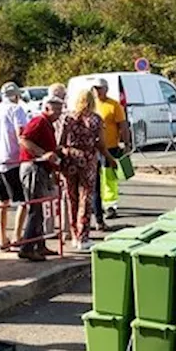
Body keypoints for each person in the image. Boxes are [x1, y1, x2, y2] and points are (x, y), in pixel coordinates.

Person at [59, 90, 116, 251]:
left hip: (69, 158)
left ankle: (74, 234)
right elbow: (101, 144)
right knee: (86, 198)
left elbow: (60, 142)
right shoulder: (95, 119)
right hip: (87, 159)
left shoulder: (68, 118)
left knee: (72, 198)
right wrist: (110, 159)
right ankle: (83, 236)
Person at [0, 82, 30, 249]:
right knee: (22, 201)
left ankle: (2, 238)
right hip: (11, 159)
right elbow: (21, 133)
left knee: (2, 201)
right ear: (16, 96)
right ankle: (17, 236)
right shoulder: (16, 109)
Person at [18, 96, 63, 261]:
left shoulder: (48, 124)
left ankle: (39, 245)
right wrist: (42, 154)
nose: (59, 113)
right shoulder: (39, 121)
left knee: (40, 208)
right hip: (33, 167)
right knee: (35, 208)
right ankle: (27, 247)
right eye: (56, 110)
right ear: (47, 108)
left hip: (41, 168)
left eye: (60, 110)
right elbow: (23, 139)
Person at [91, 77, 130, 230]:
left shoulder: (114, 105)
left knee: (109, 178)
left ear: (106, 89)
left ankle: (110, 205)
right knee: (95, 180)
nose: (97, 91)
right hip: (94, 148)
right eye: (95, 88)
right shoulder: (91, 105)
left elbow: (123, 126)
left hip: (110, 147)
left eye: (99, 88)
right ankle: (97, 206)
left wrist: (126, 143)